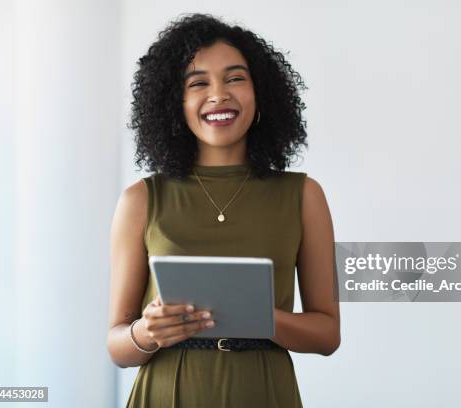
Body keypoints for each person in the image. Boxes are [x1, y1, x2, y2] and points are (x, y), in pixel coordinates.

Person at [106, 13, 340, 407]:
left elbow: (327, 335)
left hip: (264, 392)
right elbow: (117, 346)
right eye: (198, 83)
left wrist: (259, 315)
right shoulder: (141, 200)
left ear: (259, 93)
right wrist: (147, 332)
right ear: (174, 103)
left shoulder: (304, 195)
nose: (218, 95)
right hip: (166, 392)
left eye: (235, 78)